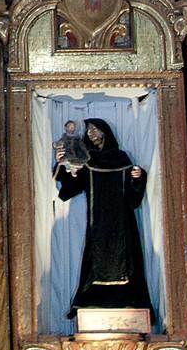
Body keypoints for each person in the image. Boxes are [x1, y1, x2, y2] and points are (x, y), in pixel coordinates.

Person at [54, 117, 152, 321]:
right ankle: (93, 301)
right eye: (89, 130)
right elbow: (69, 188)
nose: (91, 133)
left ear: (105, 132)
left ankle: (129, 301)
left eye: (95, 129)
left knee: (126, 260)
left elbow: (133, 200)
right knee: (96, 258)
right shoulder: (86, 161)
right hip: (98, 223)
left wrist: (138, 177)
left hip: (122, 223)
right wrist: (62, 163)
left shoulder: (121, 158)